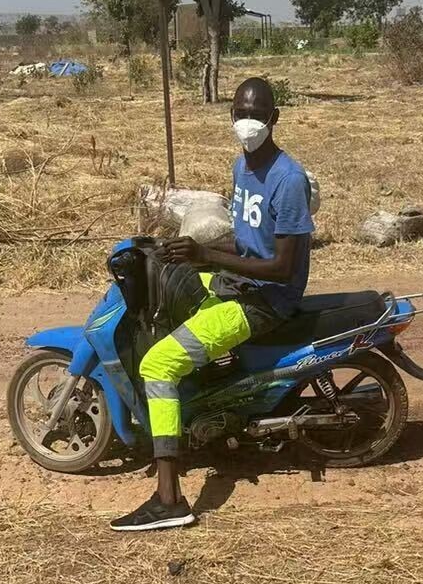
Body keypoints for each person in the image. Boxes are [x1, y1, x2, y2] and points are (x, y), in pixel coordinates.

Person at [110, 76, 315, 532]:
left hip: (264, 301)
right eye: (241, 113)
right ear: (230, 115)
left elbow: (282, 267)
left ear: (274, 118)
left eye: (257, 114)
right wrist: (183, 252)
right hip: (239, 282)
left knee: (159, 365)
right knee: (172, 297)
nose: (248, 122)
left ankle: (169, 499)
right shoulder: (243, 167)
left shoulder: (288, 179)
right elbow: (244, 242)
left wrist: (206, 255)